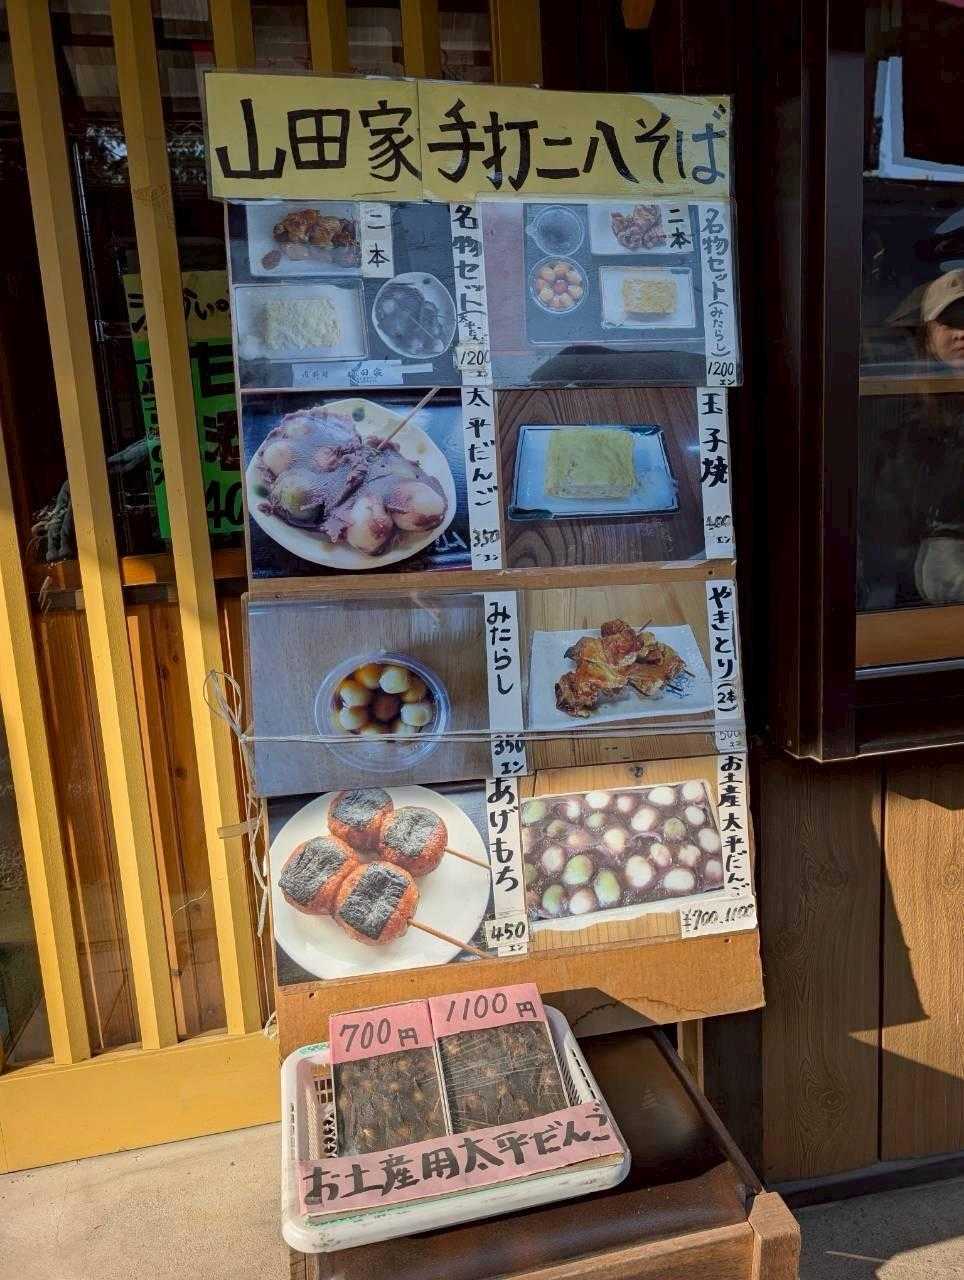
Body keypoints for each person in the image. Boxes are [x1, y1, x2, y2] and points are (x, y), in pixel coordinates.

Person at [859, 269, 964, 607]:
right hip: (914, 578)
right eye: (949, 323)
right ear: (927, 335)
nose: (962, 333)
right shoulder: (895, 404)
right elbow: (883, 517)